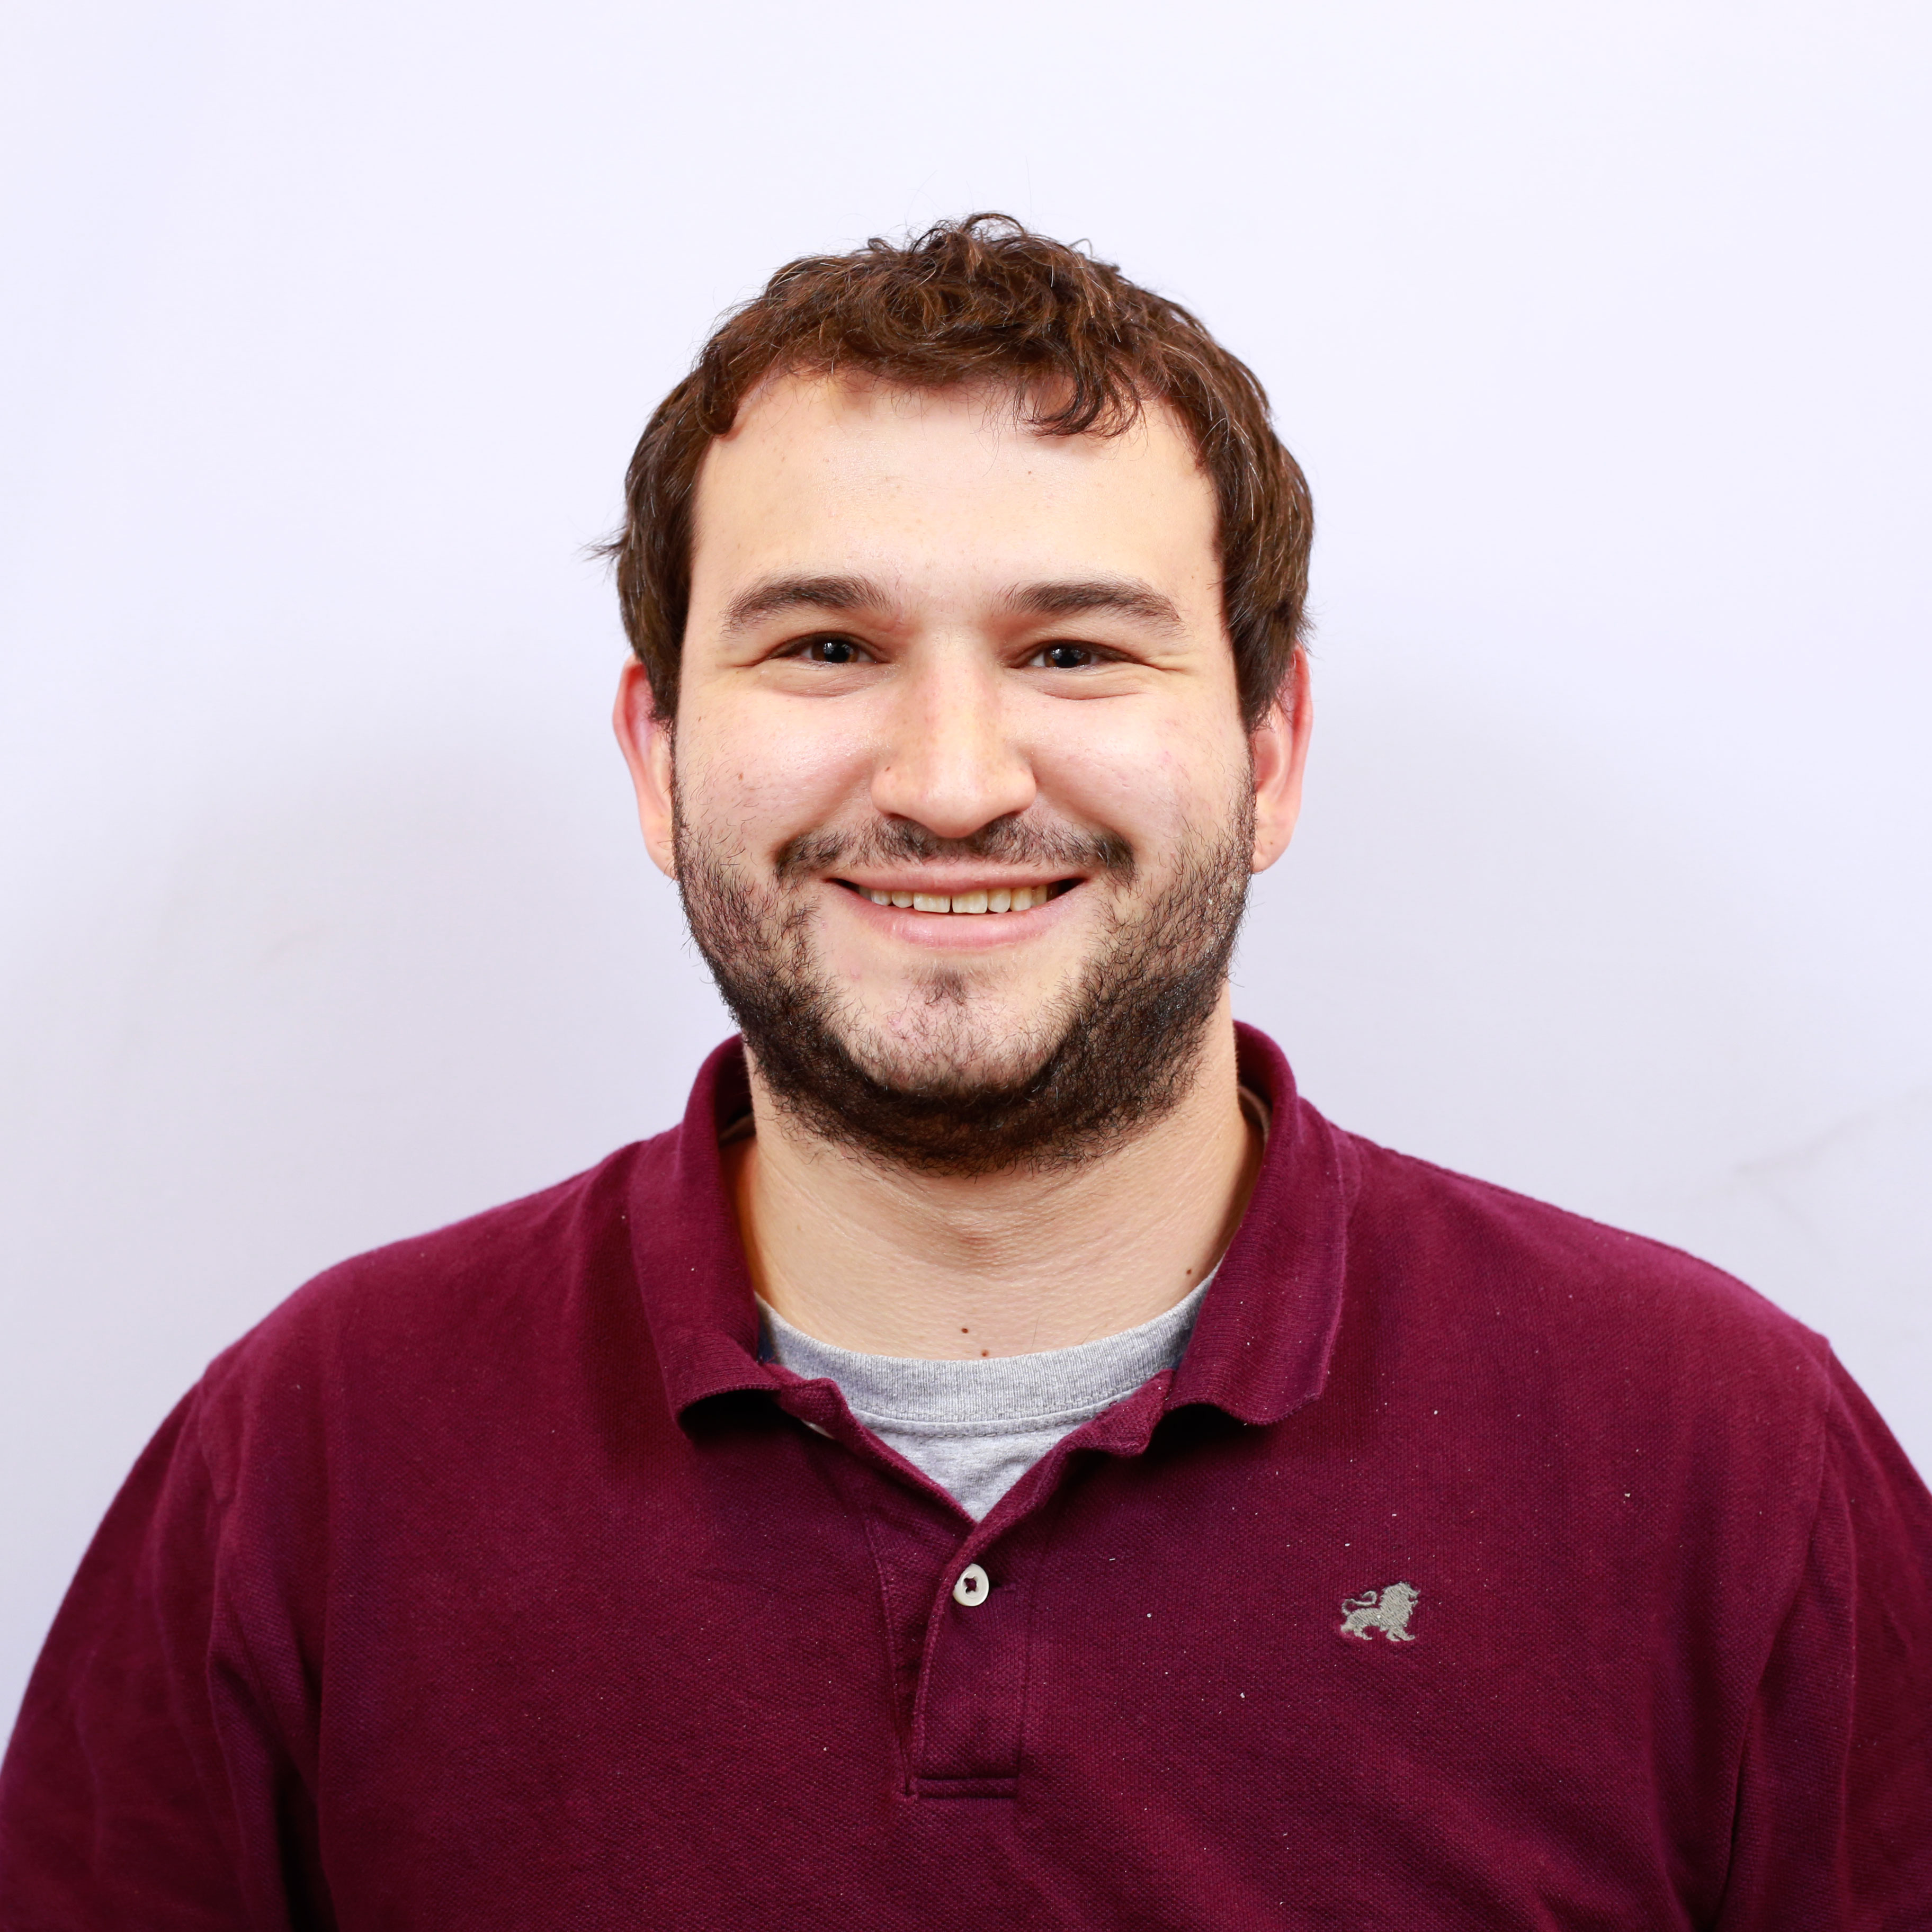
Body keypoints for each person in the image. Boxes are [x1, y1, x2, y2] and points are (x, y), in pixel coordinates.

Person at [2, 214, 1927, 1929]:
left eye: (1074, 653)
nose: (948, 782)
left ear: (1268, 754)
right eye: (827, 647)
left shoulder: (1726, 1463)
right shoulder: (309, 1462)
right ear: (657, 759)